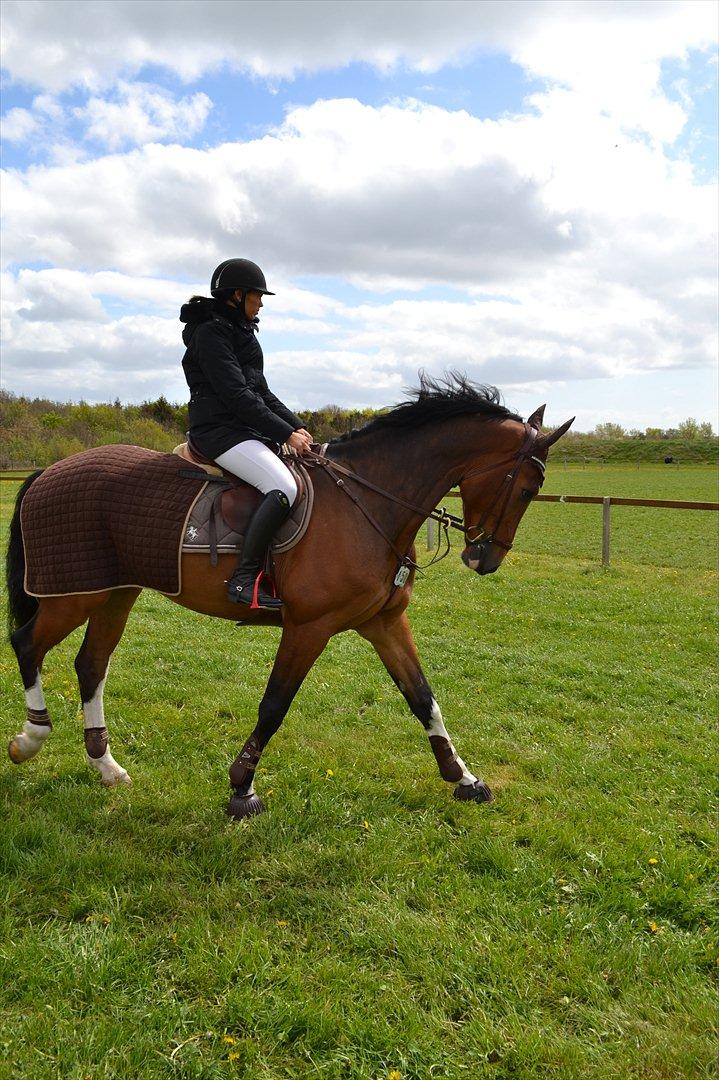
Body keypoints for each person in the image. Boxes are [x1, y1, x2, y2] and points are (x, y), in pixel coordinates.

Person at [180, 258, 313, 609]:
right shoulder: (210, 333)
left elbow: (262, 393)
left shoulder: (239, 332)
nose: (261, 303)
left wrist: (296, 426)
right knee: (283, 486)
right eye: (257, 296)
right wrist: (284, 433)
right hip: (219, 432)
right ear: (236, 295)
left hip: (244, 430)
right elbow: (236, 395)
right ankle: (243, 580)